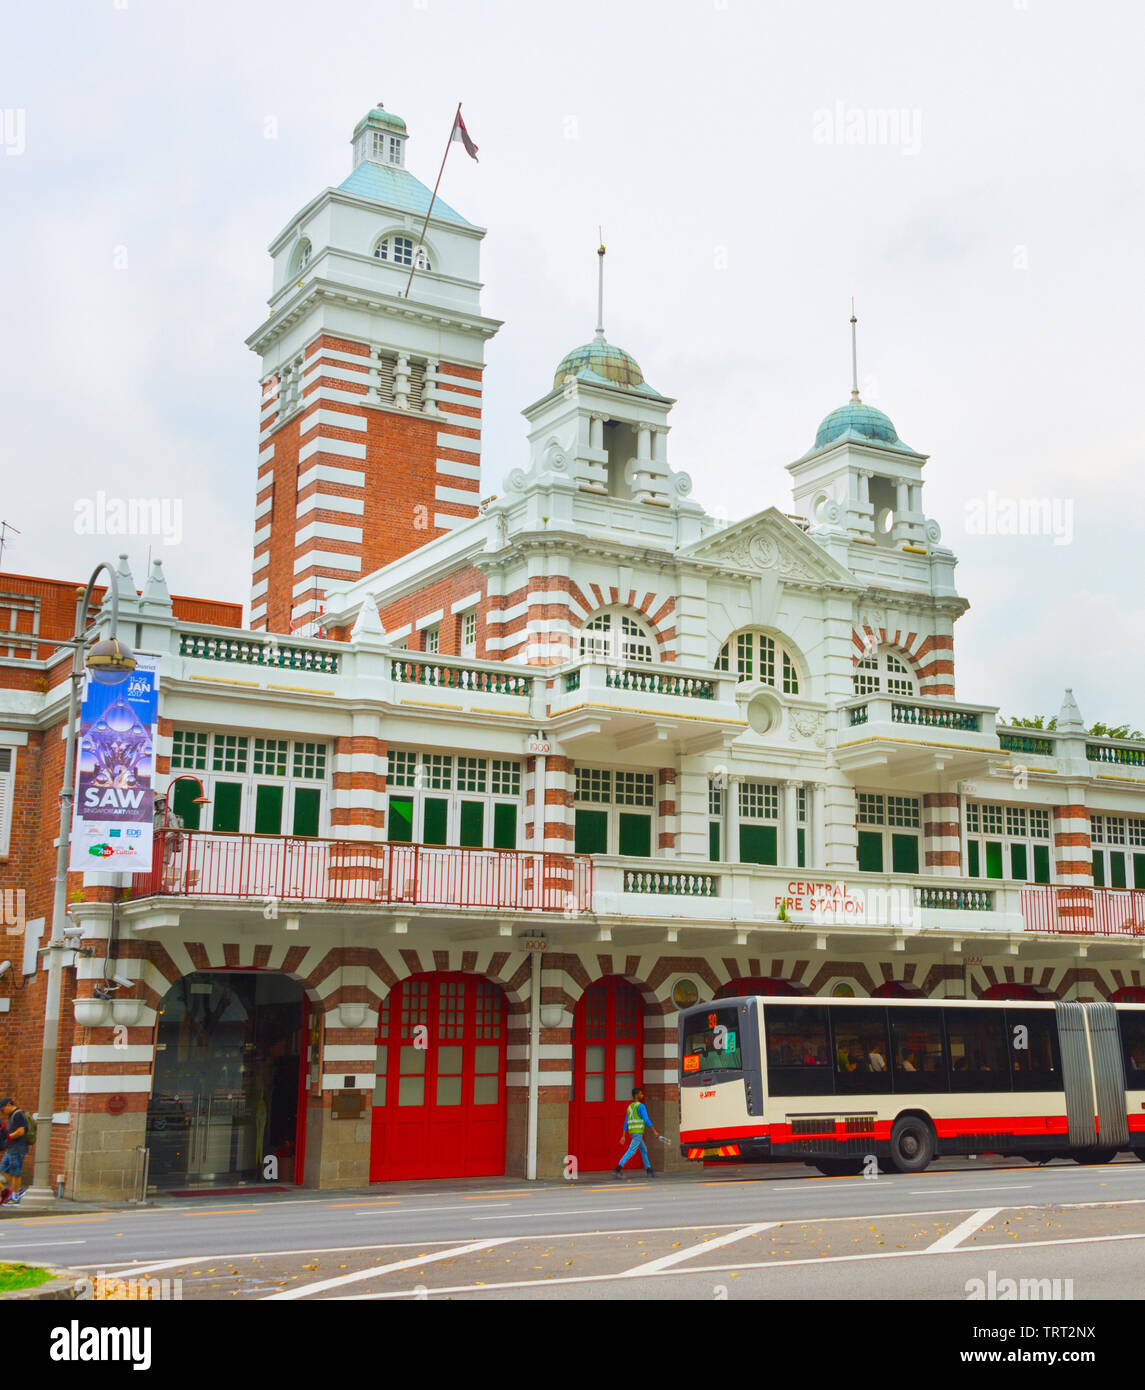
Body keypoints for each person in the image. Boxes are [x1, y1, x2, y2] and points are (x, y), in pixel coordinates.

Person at [613, 1086, 662, 1179]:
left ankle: (649, 1170)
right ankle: (617, 1169)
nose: (642, 1095)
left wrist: (623, 1136)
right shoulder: (641, 1106)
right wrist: (655, 1131)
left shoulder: (630, 1107)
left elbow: (626, 1122)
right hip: (638, 1133)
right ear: (636, 1095)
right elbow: (646, 1120)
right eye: (640, 1093)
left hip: (632, 1133)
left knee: (644, 1150)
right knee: (631, 1151)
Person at [0, 1098, 29, 1206]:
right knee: (3, 1169)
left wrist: (6, 1137)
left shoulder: (18, 1115)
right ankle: (19, 1190)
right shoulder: (12, 1115)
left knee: (15, 1173)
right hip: (11, 1148)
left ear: (8, 1105)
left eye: (3, 1110)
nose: (2, 1112)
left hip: (18, 1148)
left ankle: (15, 1198)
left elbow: (20, 1132)